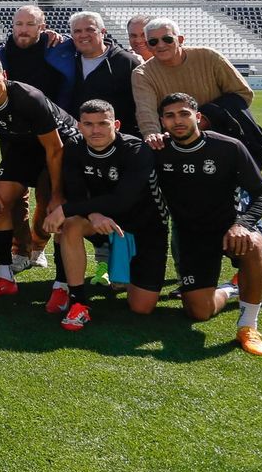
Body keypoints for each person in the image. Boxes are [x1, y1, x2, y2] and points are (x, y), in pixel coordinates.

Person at [131, 15, 262, 308]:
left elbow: (243, 94)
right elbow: (146, 111)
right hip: (180, 146)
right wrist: (154, 135)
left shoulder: (209, 57)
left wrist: (202, 119)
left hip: (223, 147)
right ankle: (189, 279)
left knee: (240, 207)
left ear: (180, 39)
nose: (160, 45)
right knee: (181, 209)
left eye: (167, 38)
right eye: (153, 41)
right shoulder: (143, 73)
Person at [151, 93, 262, 356]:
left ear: (198, 117)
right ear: (162, 122)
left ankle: (248, 326)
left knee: (253, 243)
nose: (177, 121)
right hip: (191, 235)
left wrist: (242, 223)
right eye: (170, 116)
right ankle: (231, 288)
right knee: (199, 312)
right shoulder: (158, 152)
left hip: (229, 229)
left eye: (184, 113)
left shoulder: (229, 147)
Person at [0, 51, 78, 299]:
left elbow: (55, 149)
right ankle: (5, 277)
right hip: (23, 147)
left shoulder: (28, 97)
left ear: (4, 75)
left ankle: (62, 285)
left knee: (53, 209)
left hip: (63, 146)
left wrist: (57, 195)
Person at [40, 99, 167, 331]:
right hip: (99, 219)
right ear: (79, 126)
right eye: (88, 124)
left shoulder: (136, 149)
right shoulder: (74, 147)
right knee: (70, 225)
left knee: (142, 307)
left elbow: (123, 200)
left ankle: (120, 266)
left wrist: (67, 209)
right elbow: (77, 192)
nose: (95, 130)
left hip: (144, 225)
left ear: (116, 124)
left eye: (103, 123)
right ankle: (77, 302)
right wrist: (92, 214)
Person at [60, 11, 143, 133]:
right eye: (77, 31)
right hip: (76, 139)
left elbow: (140, 105)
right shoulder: (66, 61)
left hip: (117, 140)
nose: (83, 35)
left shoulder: (127, 62)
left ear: (103, 32)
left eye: (90, 30)